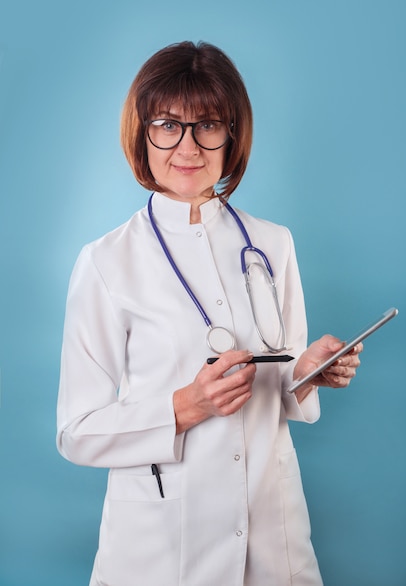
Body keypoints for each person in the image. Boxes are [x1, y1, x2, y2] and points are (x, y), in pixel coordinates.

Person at [56, 41, 362, 586]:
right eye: (168, 124)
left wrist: (308, 372)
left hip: (274, 539)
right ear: (142, 134)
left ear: (232, 135)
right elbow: (77, 431)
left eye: (209, 124)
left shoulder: (274, 244)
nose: (188, 146)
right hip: (159, 547)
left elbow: (281, 394)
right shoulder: (105, 262)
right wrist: (182, 407)